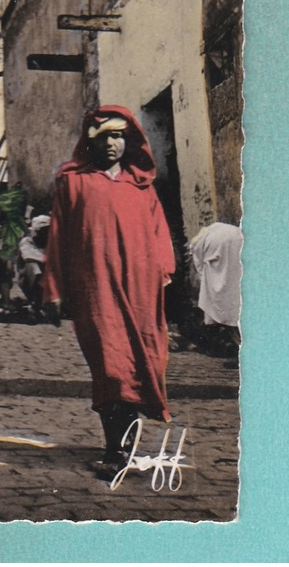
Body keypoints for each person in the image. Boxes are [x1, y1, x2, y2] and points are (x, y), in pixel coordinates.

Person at [41, 105, 176, 477]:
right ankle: (117, 450)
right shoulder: (73, 182)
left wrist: (164, 270)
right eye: (105, 138)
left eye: (119, 136)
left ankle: (124, 449)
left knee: (138, 365)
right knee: (111, 368)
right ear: (91, 142)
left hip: (140, 290)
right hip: (95, 289)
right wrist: (53, 289)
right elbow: (58, 239)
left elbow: (158, 233)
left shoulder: (141, 185)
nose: (113, 144)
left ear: (128, 141)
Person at [188, 221, 243, 354]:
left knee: (220, 298)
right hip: (237, 243)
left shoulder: (199, 241)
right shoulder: (217, 229)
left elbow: (199, 264)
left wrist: (204, 278)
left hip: (219, 248)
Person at [0, 182, 29, 310]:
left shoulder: (10, 217)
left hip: (11, 245)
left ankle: (6, 299)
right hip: (12, 246)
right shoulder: (15, 220)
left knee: (9, 272)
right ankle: (6, 301)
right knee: (8, 272)